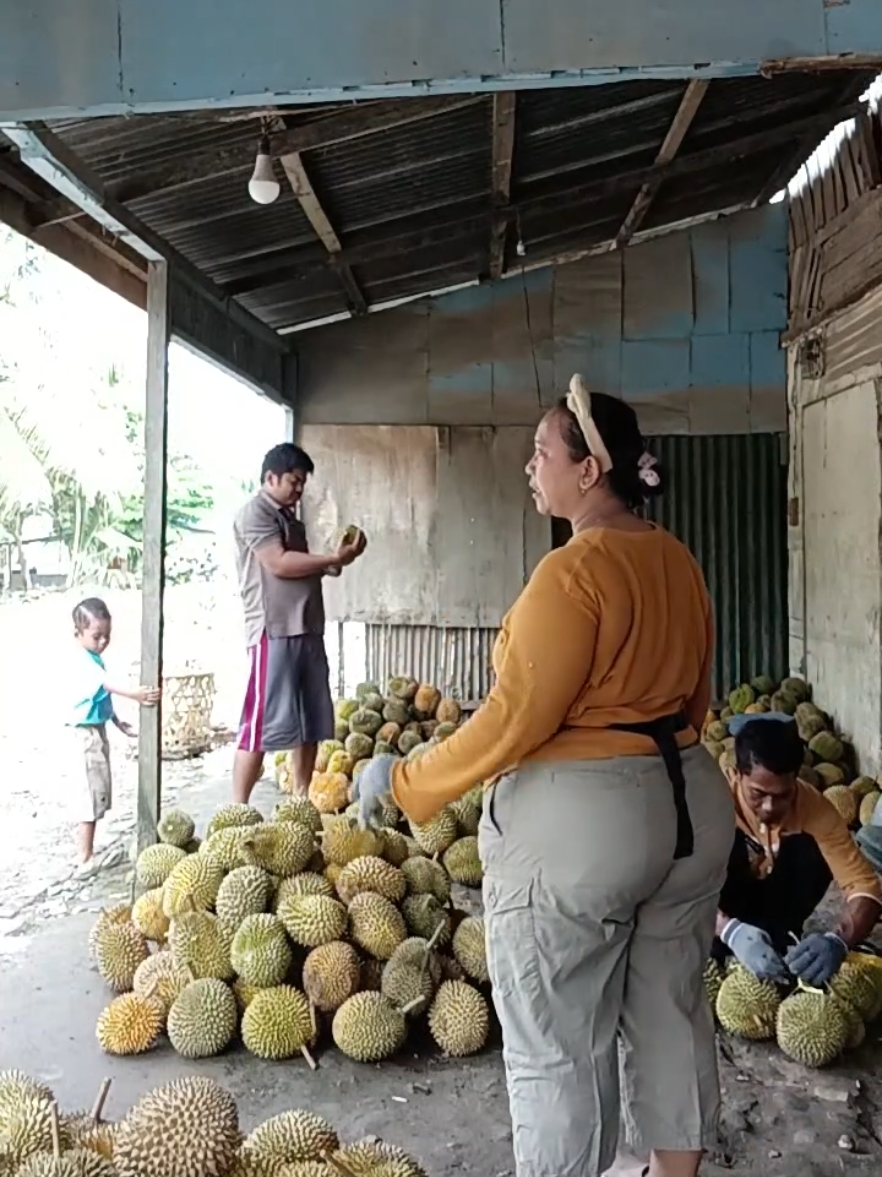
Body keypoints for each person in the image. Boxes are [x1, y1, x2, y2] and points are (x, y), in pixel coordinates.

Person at [356, 378, 736, 1177]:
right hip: (691, 807)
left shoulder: (572, 573)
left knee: (559, 1041)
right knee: (671, 1012)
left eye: (541, 451)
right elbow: (696, 704)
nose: (529, 465)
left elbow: (514, 717)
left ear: (589, 470)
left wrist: (409, 781)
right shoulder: (679, 559)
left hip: (583, 831)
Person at [232, 442, 366, 804]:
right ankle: (237, 807)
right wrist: (328, 559)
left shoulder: (292, 519)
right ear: (270, 477)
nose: (298, 489)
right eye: (293, 480)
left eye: (302, 482)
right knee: (259, 724)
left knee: (311, 721)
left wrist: (338, 560)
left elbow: (305, 566)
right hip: (273, 630)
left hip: (306, 627)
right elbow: (277, 563)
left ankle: (302, 799)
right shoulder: (255, 513)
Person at [714, 711, 882, 985]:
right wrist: (728, 929)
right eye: (757, 794)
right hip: (717, 908)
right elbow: (676, 886)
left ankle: (778, 933)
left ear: (796, 780)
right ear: (737, 775)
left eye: (783, 796)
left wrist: (839, 939)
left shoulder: (816, 810)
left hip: (779, 907)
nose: (769, 807)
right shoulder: (710, 801)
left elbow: (865, 887)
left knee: (808, 847)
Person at [66, 597, 161, 876]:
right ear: (78, 634)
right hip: (85, 735)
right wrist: (137, 694)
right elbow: (107, 685)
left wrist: (118, 722)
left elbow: (101, 698)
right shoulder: (84, 661)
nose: (103, 641)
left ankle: (88, 850)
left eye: (107, 636)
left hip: (97, 730)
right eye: (97, 636)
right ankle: (84, 858)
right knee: (90, 795)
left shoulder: (95, 658)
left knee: (98, 791)